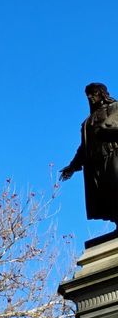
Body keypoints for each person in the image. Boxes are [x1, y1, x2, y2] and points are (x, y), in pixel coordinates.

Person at [60, 83, 118, 227]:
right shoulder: (87, 122)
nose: (90, 97)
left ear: (102, 94)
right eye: (88, 95)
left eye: (93, 93)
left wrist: (108, 130)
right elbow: (84, 147)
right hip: (95, 163)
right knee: (107, 195)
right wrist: (73, 166)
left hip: (113, 154)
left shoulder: (115, 108)